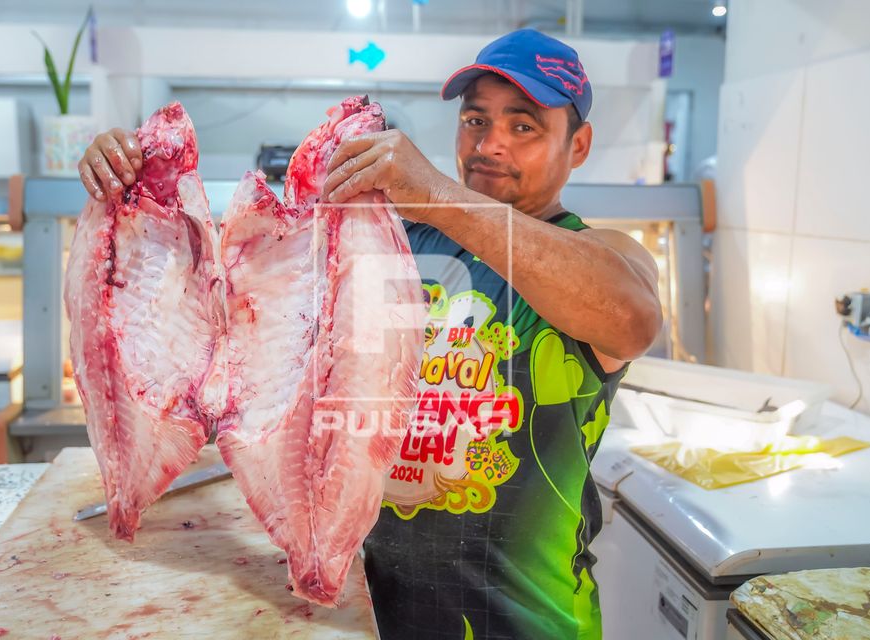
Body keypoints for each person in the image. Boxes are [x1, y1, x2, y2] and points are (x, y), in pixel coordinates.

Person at [78, 28, 661, 640]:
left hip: (526, 622)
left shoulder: (597, 252)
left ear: (580, 144)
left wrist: (437, 193)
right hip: (365, 612)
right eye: (474, 120)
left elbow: (632, 317)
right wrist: (131, 195)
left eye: (524, 127)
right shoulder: (393, 241)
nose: (490, 145)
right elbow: (247, 335)